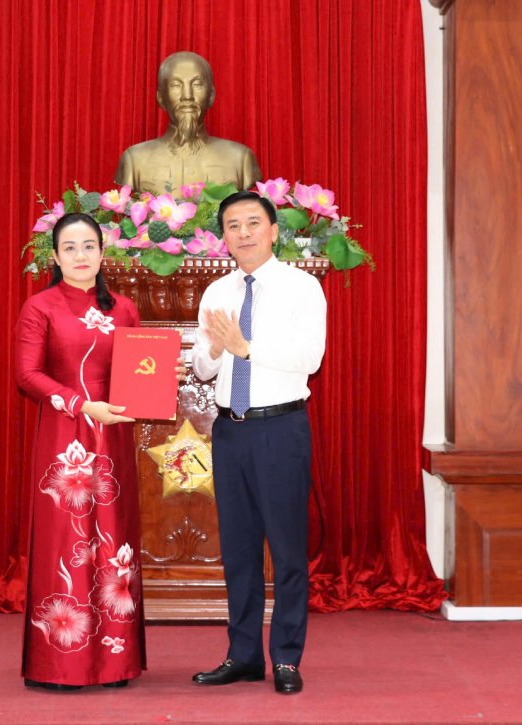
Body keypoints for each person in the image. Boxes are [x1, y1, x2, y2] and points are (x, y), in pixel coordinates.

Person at [189, 191, 327, 695]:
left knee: (287, 549)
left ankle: (286, 657)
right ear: (223, 237)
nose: (243, 233)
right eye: (233, 225)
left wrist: (246, 348)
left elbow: (309, 358)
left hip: (279, 429)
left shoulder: (301, 287)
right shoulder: (217, 291)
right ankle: (243, 655)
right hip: (230, 430)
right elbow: (202, 368)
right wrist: (216, 348)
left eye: (252, 223)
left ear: (272, 230)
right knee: (239, 549)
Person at [14, 213, 152, 690]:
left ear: (102, 252)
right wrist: (79, 404)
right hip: (64, 439)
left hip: (112, 438)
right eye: (69, 247)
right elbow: (27, 375)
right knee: (63, 542)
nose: (80, 255)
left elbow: (138, 371)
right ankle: (59, 664)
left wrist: (159, 379)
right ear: (55, 256)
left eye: (89, 246)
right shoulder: (40, 307)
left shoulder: (125, 309)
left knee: (115, 542)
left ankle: (115, 664)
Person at [115, 51, 261, 196]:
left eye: (197, 85)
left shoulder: (240, 159)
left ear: (211, 96)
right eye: (176, 85)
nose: (187, 96)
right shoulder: (134, 160)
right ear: (161, 98)